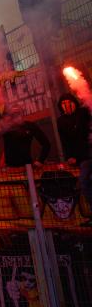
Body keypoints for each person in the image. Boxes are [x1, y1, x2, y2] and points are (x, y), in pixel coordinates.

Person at [56, 93, 92, 226]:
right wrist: (70, 156)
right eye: (63, 103)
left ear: (74, 103)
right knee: (83, 182)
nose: (66, 105)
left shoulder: (83, 113)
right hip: (84, 158)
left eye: (69, 102)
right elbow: (65, 141)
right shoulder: (61, 121)